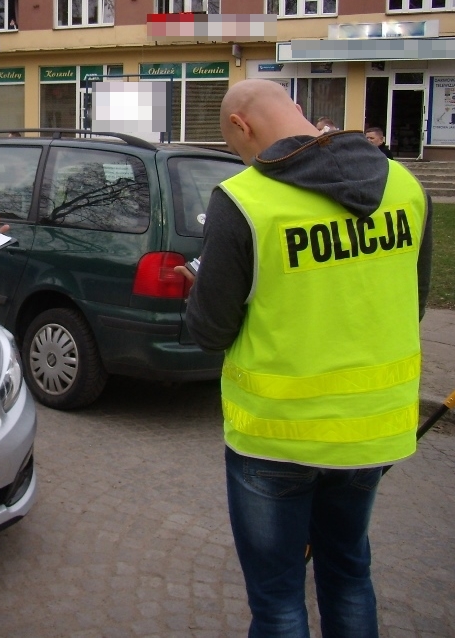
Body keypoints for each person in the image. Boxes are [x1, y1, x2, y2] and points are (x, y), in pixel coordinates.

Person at [179, 79, 433, 636]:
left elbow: (210, 331)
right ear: (296, 110)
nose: (239, 157)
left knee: (278, 601)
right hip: (372, 435)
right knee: (348, 573)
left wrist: (200, 292)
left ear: (242, 127)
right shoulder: (404, 186)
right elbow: (409, 301)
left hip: (276, 439)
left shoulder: (243, 198)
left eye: (233, 143)